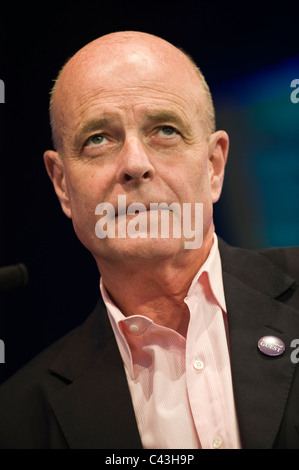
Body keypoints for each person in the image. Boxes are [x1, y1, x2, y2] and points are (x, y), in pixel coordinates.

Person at [0, 31, 299, 450]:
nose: (135, 165)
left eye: (165, 130)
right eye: (98, 139)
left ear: (214, 166)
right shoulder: (16, 419)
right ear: (62, 184)